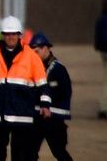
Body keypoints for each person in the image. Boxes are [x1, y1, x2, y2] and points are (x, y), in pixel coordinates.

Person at [0, 16, 49, 161]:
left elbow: (42, 84)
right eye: (8, 34)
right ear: (3, 35)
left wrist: (45, 105)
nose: (11, 37)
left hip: (22, 114)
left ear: (19, 35)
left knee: (21, 153)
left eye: (14, 34)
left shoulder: (31, 57)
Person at [30, 32, 72, 161]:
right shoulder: (33, 68)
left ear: (46, 48)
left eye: (36, 51)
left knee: (59, 151)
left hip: (54, 119)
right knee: (30, 152)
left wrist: (47, 105)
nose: (34, 55)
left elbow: (62, 92)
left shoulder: (58, 69)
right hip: (38, 118)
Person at [95, 0, 107, 119]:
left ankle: (104, 107)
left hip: (103, 51)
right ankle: (104, 108)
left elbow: (97, 37)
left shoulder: (101, 19)